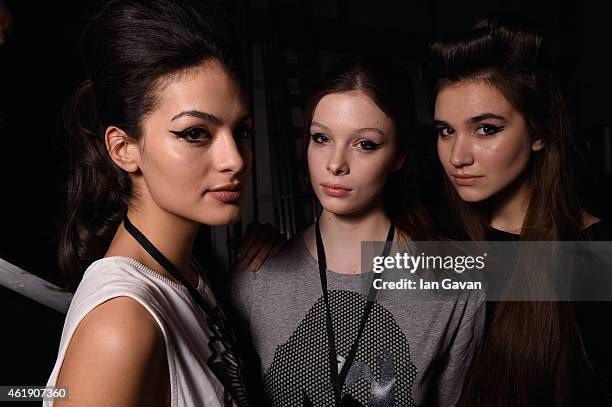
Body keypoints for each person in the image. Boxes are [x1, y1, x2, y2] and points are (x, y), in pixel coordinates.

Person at [232, 56, 485, 406]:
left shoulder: (452, 280)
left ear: (399, 155)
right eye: (321, 138)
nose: (335, 164)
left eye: (365, 144)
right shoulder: (256, 277)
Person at [45, 0, 253, 405]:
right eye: (195, 133)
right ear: (123, 149)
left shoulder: (187, 273)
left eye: (242, 131)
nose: (236, 160)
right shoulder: (122, 326)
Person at [428, 16, 612, 405]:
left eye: (486, 129)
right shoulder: (436, 240)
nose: (457, 157)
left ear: (540, 134)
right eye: (446, 131)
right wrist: (269, 248)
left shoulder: (595, 256)